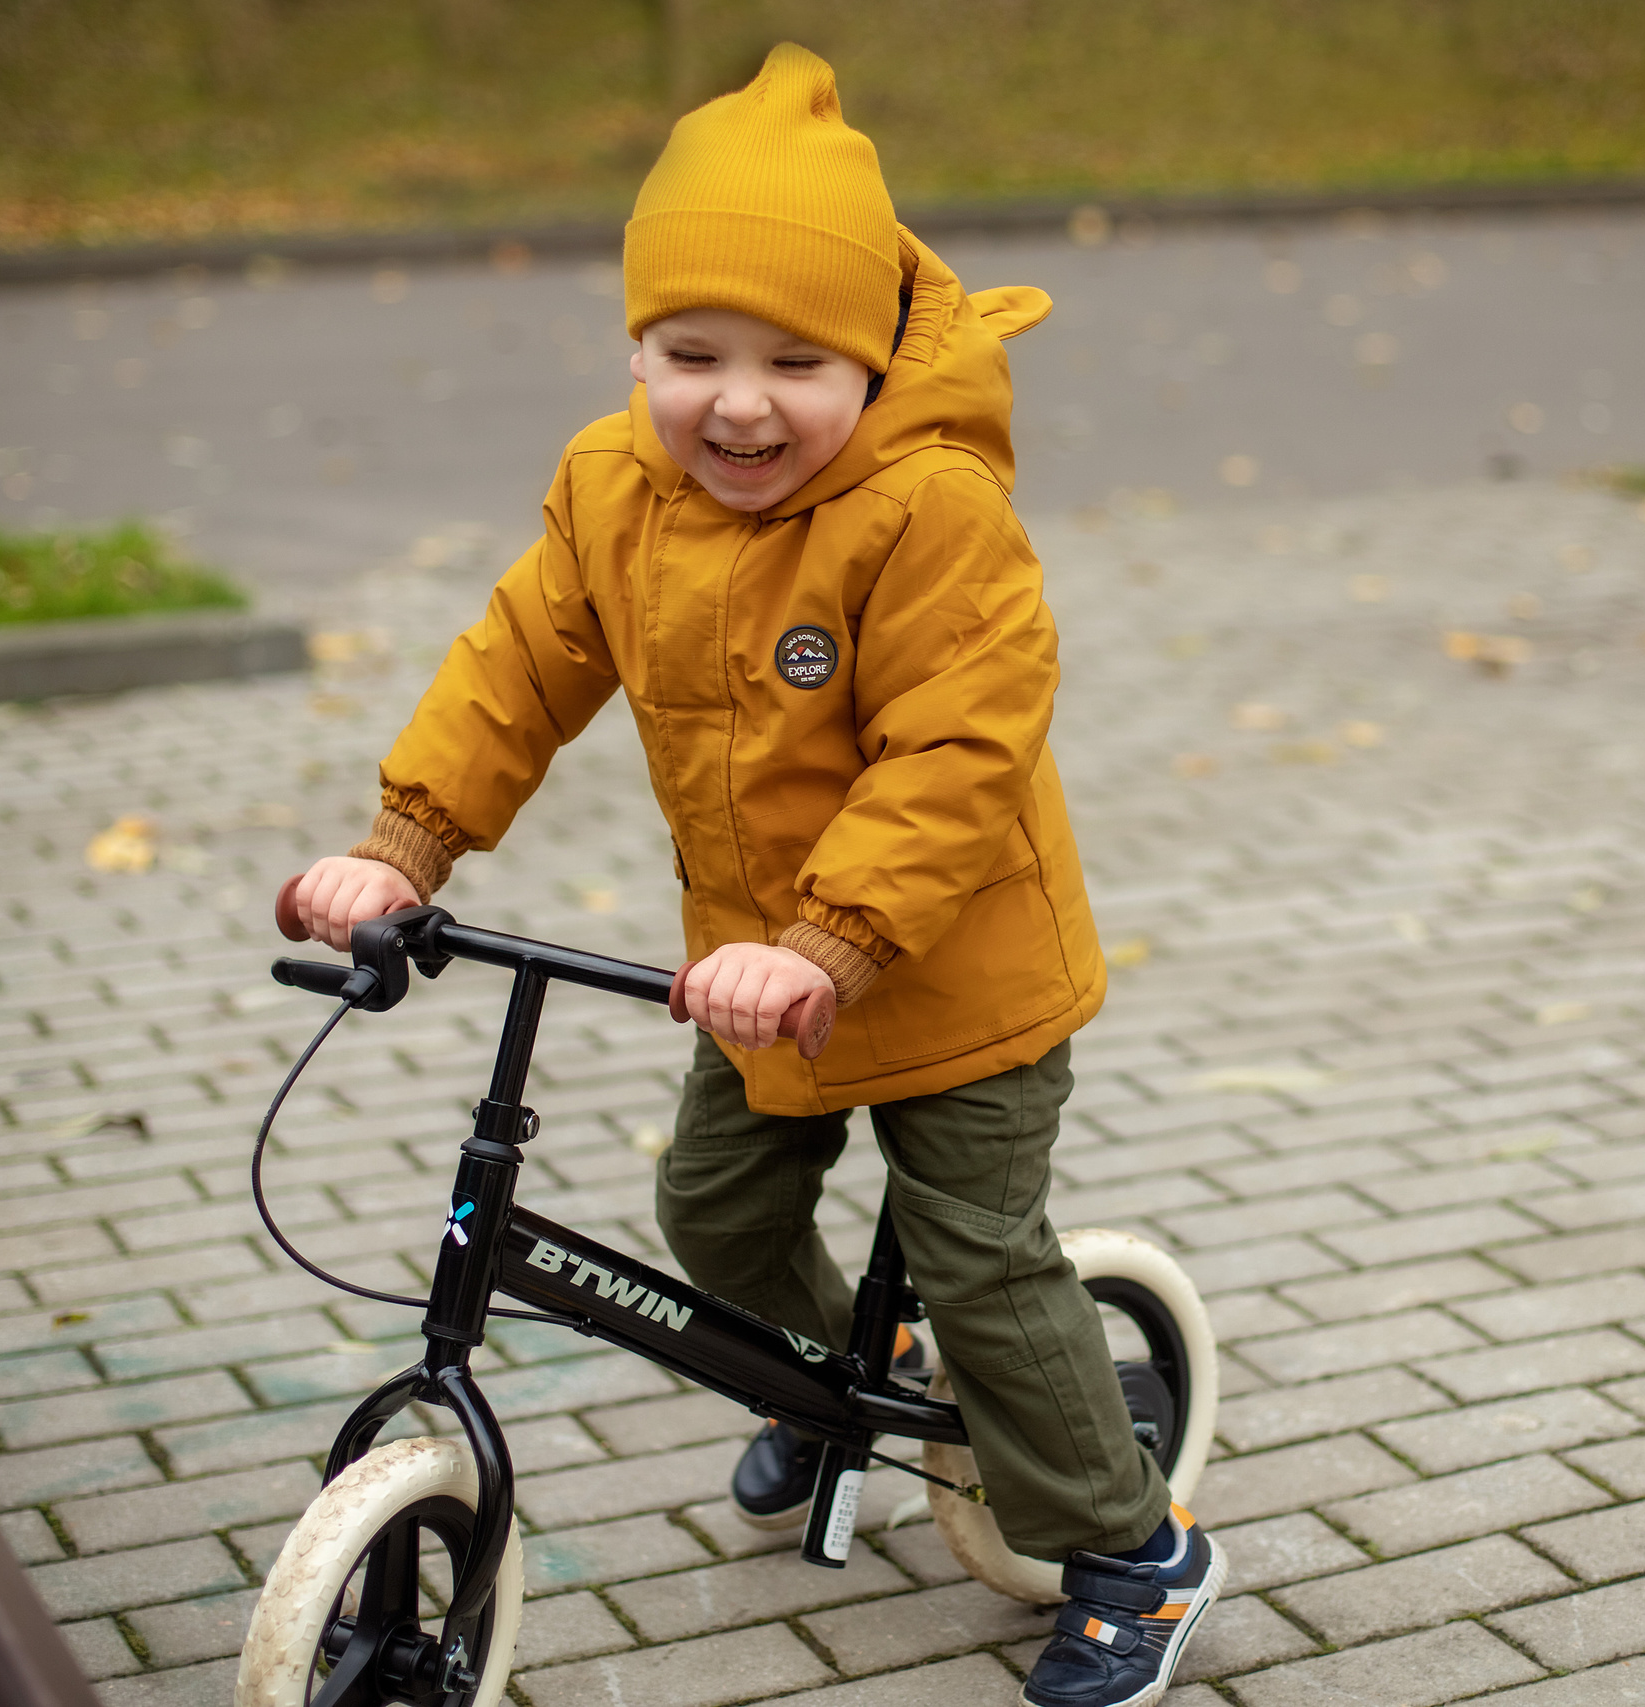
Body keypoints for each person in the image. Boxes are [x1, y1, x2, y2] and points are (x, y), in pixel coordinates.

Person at [282, 44, 1219, 1707]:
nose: (737, 400)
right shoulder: (611, 491)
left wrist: (836, 940)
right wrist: (401, 846)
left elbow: (954, 752)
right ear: (634, 348)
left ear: (871, 365)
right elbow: (520, 664)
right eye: (690, 351)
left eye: (797, 359)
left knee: (983, 1249)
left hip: (951, 971)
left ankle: (1134, 1549)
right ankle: (838, 1377)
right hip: (759, 971)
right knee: (711, 1207)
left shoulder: (932, 514)